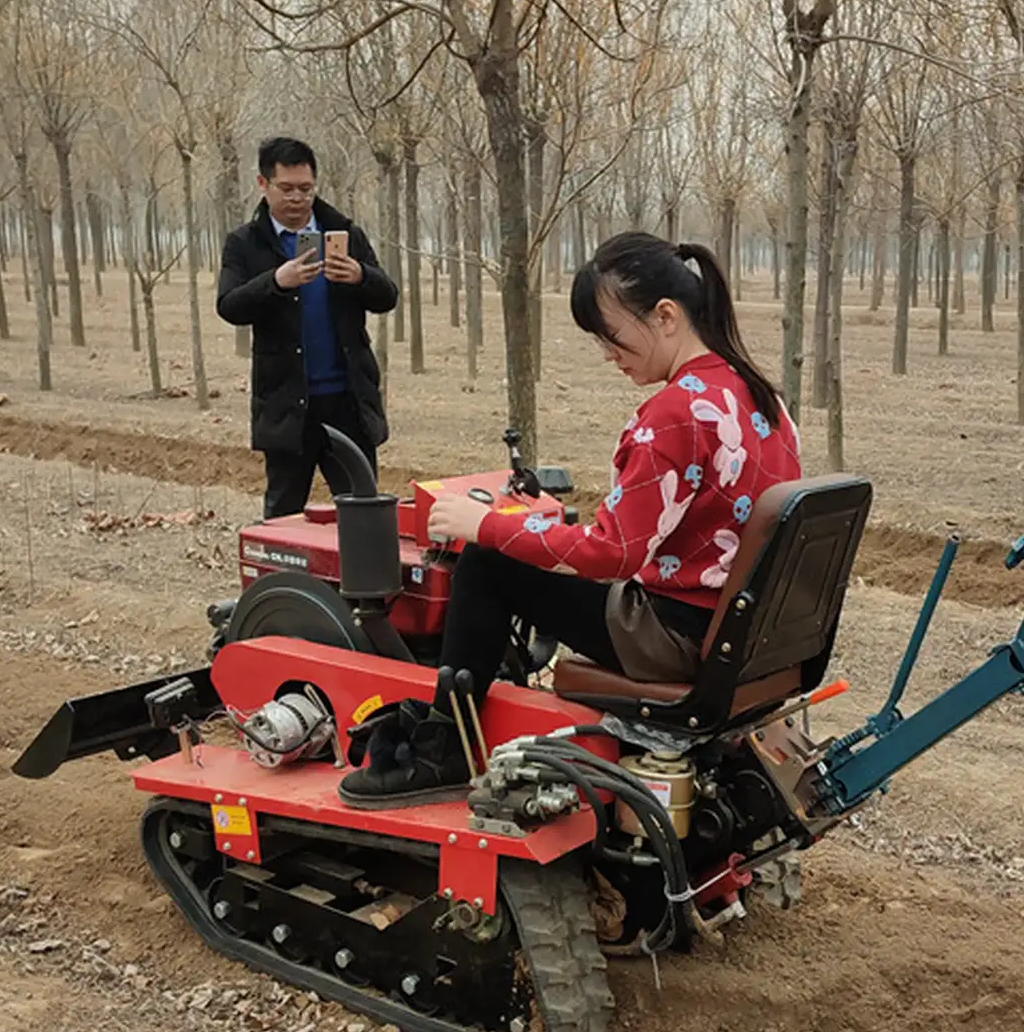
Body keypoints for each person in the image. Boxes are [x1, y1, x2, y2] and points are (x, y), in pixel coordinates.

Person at [339, 231, 802, 807]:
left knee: (488, 566)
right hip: (745, 631)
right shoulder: (759, 396)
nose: (608, 354)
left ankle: (444, 747)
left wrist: (483, 526)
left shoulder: (675, 414)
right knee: (531, 559)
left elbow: (614, 553)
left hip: (674, 634)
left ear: (665, 316)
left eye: (610, 336)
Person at [218, 136, 399, 518]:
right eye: (286, 189)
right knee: (283, 514)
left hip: (348, 401)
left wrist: (360, 275)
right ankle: (284, 580)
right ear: (263, 184)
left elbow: (388, 297)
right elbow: (229, 305)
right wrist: (276, 281)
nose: (297, 198)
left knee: (362, 511)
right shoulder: (245, 244)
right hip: (287, 405)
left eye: (306, 188)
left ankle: (356, 579)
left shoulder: (345, 233)